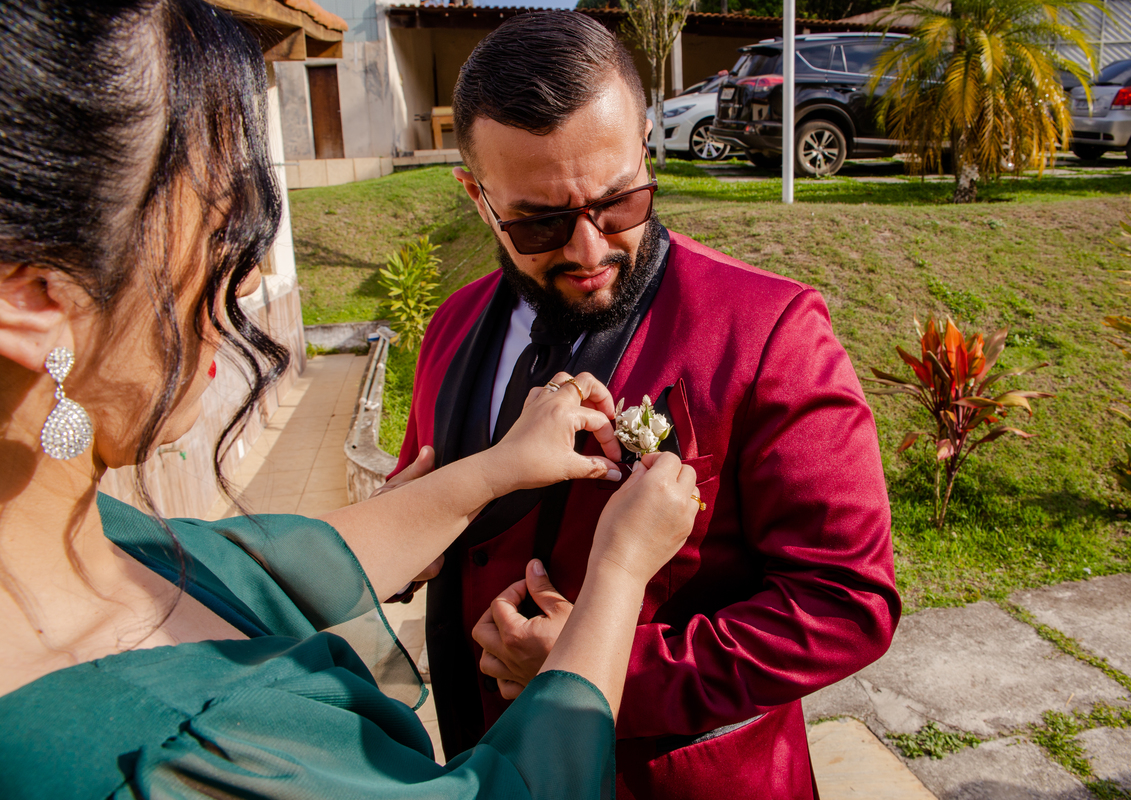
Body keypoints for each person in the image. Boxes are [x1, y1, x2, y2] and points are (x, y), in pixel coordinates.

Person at [0, 2, 702, 798]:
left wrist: (494, 471)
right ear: (33, 296)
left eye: (618, 201)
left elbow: (273, 566)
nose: (254, 280)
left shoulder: (95, 542)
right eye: (220, 240)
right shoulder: (174, 761)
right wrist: (619, 571)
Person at [389, 11, 902, 800]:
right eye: (539, 222)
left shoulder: (771, 332)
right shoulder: (451, 328)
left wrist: (607, 668)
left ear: (645, 151)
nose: (590, 250)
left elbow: (847, 604)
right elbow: (418, 496)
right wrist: (399, 538)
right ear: (478, 198)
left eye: (620, 202)